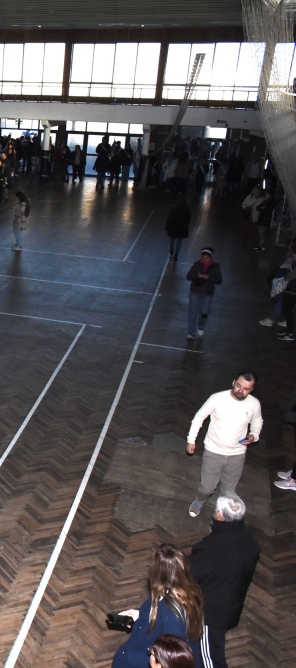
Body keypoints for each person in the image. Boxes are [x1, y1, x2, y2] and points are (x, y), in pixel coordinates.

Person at [189, 493, 260, 668]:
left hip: (211, 615)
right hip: (232, 604)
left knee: (210, 658)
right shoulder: (250, 539)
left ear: (220, 516)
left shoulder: (213, 548)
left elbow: (190, 573)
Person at [111, 544, 207, 668]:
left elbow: (168, 657)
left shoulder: (173, 619)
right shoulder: (182, 591)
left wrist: (129, 657)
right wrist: (140, 615)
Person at [186, 372, 262, 517]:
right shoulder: (217, 398)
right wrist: (191, 439)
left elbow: (257, 421)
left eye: (246, 388)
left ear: (252, 389)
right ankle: (199, 500)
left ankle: (220, 516)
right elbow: (199, 417)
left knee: (228, 492)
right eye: (239, 385)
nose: (241, 390)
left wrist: (254, 435)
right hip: (213, 451)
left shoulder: (254, 404)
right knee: (206, 488)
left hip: (237, 454)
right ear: (233, 382)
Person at [185, 248, 222, 341]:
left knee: (204, 312)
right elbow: (188, 276)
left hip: (207, 293)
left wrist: (209, 278)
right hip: (195, 291)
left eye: (207, 258)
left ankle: (201, 326)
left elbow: (219, 280)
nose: (204, 260)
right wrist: (197, 275)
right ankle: (191, 333)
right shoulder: (196, 265)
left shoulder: (215, 267)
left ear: (210, 258)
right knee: (193, 312)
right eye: (203, 258)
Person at [165, 195, 191, 262]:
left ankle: (171, 250)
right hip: (182, 227)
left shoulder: (174, 208)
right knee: (179, 241)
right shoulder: (186, 209)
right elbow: (188, 219)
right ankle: (176, 254)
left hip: (173, 227)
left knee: (172, 239)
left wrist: (167, 226)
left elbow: (170, 218)